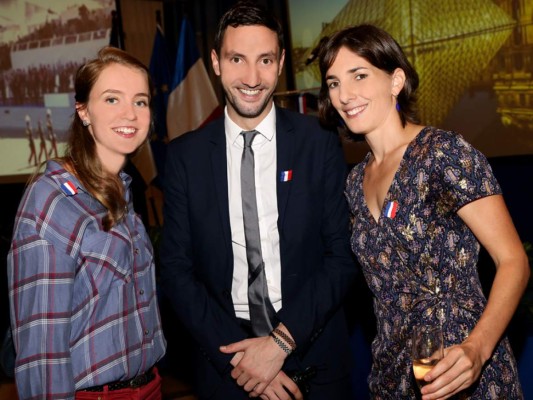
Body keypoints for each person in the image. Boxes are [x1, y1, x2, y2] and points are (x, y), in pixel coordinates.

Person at [317, 24, 530, 399]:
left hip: (461, 367)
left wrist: (477, 351)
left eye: (359, 76)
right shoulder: (354, 182)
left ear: (396, 80)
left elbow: (514, 260)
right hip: (392, 371)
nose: (344, 95)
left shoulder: (442, 154)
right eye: (333, 83)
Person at [159, 2, 357, 399]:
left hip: (314, 360)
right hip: (226, 365)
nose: (252, 77)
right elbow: (177, 272)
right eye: (237, 59)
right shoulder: (184, 156)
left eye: (265, 60)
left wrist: (279, 344)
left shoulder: (318, 143)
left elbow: (342, 256)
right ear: (216, 62)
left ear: (281, 62)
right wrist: (245, 362)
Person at [7, 46, 166, 399]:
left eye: (140, 101)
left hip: (150, 387)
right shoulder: (53, 200)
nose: (130, 113)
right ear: (83, 111)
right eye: (112, 99)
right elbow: (41, 349)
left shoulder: (122, 189)